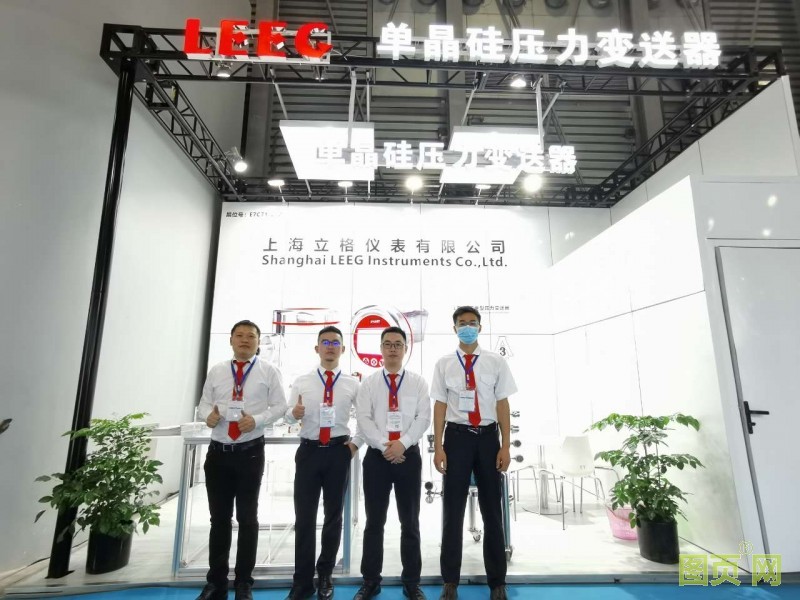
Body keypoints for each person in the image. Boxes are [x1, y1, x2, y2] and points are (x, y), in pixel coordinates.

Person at [196, 320, 288, 600]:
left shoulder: (269, 371)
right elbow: (203, 403)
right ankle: (216, 583)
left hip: (250, 453)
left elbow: (281, 406)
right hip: (218, 453)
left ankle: (244, 583)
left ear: (258, 342)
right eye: (239, 335)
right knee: (218, 519)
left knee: (247, 518)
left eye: (251, 336)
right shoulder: (217, 370)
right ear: (231, 340)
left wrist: (257, 420)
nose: (245, 340)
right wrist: (207, 416)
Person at [431, 307, 516, 600]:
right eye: (462, 323)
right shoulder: (444, 363)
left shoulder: (495, 361)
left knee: (492, 511)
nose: (467, 327)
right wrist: (439, 447)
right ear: (454, 328)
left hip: (488, 439)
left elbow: (502, 404)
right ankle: (450, 581)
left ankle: (497, 582)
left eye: (472, 323)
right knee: (452, 512)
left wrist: (505, 445)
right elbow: (440, 406)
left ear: (480, 327)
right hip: (456, 439)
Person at [284, 326, 363, 600]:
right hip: (309, 452)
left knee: (333, 516)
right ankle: (302, 580)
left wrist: (354, 446)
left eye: (335, 343)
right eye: (325, 342)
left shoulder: (352, 383)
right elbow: (287, 415)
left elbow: (365, 418)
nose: (330, 346)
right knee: (304, 518)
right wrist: (293, 414)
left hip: (338, 453)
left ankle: (326, 574)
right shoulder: (302, 381)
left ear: (343, 349)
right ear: (317, 348)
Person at [353, 327, 431, 600]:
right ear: (381, 349)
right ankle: (370, 581)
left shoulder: (418, 383)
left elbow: (423, 418)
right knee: (374, 522)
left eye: (398, 344)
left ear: (405, 349)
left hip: (408, 456)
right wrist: (385, 445)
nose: (393, 349)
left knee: (410, 522)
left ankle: (411, 582)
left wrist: (403, 443)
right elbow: (363, 419)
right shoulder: (369, 383)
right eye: (388, 344)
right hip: (378, 458)